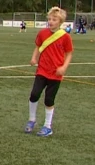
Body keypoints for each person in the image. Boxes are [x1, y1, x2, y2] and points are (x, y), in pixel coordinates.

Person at [25, 7, 73, 137]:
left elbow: (69, 53)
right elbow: (38, 47)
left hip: (56, 74)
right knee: (34, 94)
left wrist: (64, 67)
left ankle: (47, 126)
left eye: (54, 19)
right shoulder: (42, 33)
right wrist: (34, 58)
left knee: (49, 99)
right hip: (42, 70)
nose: (51, 21)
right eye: (50, 19)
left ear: (60, 21)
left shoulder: (65, 37)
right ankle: (31, 120)